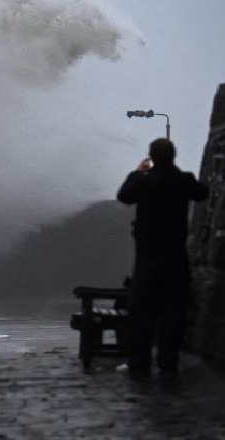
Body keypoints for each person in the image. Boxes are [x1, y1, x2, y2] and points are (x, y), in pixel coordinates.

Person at [117, 138, 208, 380]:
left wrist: (137, 172)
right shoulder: (182, 180)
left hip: (147, 255)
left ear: (151, 157)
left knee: (142, 311)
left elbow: (124, 196)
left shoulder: (144, 181)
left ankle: (139, 363)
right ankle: (168, 362)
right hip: (176, 255)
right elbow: (203, 193)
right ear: (174, 155)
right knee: (173, 310)